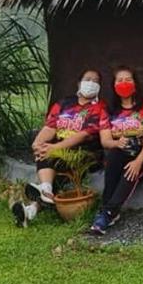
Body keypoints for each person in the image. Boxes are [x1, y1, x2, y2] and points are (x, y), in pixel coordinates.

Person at [12, 69, 105, 227]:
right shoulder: (63, 104)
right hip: (60, 154)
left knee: (49, 153)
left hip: (85, 153)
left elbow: (83, 135)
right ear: (79, 83)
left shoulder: (99, 108)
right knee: (45, 151)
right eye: (87, 79)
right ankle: (35, 205)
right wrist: (38, 143)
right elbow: (50, 127)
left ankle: (43, 192)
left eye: (95, 81)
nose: (91, 83)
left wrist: (55, 148)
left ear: (99, 87)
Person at [90, 66, 143, 235]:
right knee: (114, 157)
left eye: (128, 79)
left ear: (135, 83)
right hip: (119, 154)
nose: (124, 83)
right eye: (119, 80)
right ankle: (108, 211)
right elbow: (105, 141)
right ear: (114, 85)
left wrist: (138, 162)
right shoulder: (108, 111)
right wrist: (116, 143)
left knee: (130, 170)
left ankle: (108, 212)